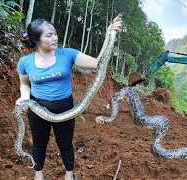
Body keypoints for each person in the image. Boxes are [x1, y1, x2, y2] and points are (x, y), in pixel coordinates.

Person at [15, 17, 122, 180]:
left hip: (65, 106)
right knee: (39, 144)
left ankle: (69, 175)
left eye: (55, 34)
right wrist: (24, 98)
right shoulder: (25, 62)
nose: (55, 38)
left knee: (65, 144)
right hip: (37, 107)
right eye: (49, 35)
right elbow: (24, 83)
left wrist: (109, 35)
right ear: (36, 40)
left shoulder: (68, 54)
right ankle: (38, 175)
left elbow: (97, 63)